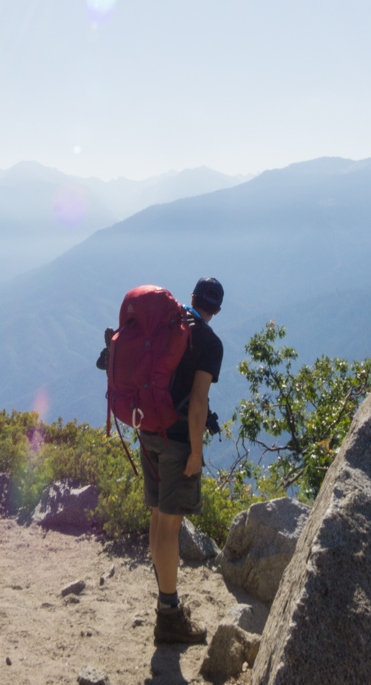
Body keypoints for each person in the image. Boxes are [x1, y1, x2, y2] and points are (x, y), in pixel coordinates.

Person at [140, 275, 224, 645]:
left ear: (191, 298)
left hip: (147, 430)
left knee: (158, 516)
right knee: (171, 526)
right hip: (176, 441)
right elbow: (198, 404)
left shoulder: (166, 325)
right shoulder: (209, 342)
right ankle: (169, 614)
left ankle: (164, 601)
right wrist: (196, 452)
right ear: (217, 309)